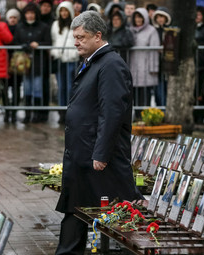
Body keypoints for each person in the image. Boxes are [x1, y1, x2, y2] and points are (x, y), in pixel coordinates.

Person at [55, 11, 143, 255]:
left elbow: (112, 113)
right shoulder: (93, 62)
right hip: (82, 153)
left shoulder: (111, 65)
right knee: (75, 210)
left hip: (99, 158)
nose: (76, 42)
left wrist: (101, 153)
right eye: (74, 37)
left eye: (81, 37)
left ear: (97, 35)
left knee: (123, 218)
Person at [12, 2, 52, 123]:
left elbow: (48, 42)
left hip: (38, 63)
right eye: (27, 13)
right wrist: (22, 46)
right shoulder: (20, 27)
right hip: (24, 63)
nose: (29, 16)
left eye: (32, 13)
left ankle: (37, 114)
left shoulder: (43, 27)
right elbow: (15, 42)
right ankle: (27, 114)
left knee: (37, 89)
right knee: (27, 89)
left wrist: (39, 45)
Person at [51, 1, 79, 124]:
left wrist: (76, 53)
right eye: (61, 11)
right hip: (59, 59)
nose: (63, 13)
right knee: (61, 86)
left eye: (66, 10)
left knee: (69, 86)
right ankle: (61, 112)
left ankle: (70, 111)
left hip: (71, 59)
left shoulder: (76, 24)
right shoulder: (55, 25)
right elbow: (54, 39)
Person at [129, 8, 159, 120]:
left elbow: (154, 50)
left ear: (145, 18)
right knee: (134, 94)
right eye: (136, 17)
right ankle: (136, 117)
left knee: (144, 94)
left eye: (140, 17)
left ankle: (144, 118)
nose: (138, 19)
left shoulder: (152, 31)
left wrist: (153, 67)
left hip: (145, 68)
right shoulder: (130, 30)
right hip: (132, 67)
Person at [152, 6, 171, 107]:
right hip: (157, 62)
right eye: (158, 17)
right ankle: (160, 107)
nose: (160, 19)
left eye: (162, 17)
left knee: (167, 87)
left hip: (168, 63)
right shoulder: (153, 30)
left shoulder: (170, 30)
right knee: (158, 88)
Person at [6, 8, 22, 123]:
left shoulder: (20, 29)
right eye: (11, 17)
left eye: (15, 17)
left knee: (16, 88)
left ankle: (14, 112)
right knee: (5, 89)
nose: (13, 20)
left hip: (17, 63)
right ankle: (7, 112)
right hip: (5, 62)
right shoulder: (4, 28)